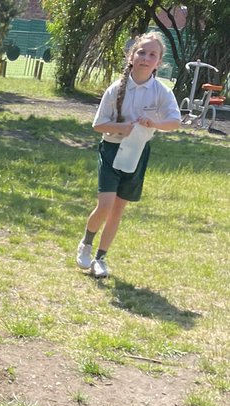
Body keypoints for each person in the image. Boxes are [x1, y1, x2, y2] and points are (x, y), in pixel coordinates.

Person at [76, 31, 181, 280]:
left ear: (159, 62)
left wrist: (155, 122)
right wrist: (121, 128)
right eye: (141, 52)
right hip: (112, 150)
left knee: (117, 211)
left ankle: (100, 258)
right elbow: (98, 125)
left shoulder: (161, 92)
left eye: (152, 54)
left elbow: (174, 121)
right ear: (131, 56)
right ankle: (86, 244)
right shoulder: (116, 89)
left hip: (138, 152)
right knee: (105, 205)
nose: (146, 58)